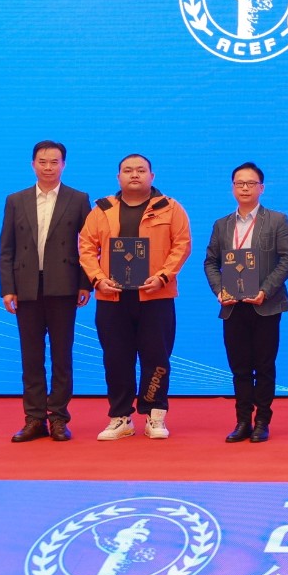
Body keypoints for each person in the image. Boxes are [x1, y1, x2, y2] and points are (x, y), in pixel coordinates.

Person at [78, 154, 192, 441]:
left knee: (157, 357)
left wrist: (163, 276)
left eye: (141, 170)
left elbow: (182, 245)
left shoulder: (170, 208)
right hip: (112, 298)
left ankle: (155, 415)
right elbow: (86, 247)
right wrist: (98, 279)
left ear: (152, 176)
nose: (134, 175)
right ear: (118, 177)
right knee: (116, 358)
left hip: (156, 295)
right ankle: (120, 417)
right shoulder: (102, 209)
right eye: (128, 170)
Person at [0, 140, 91, 442]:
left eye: (54, 162)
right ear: (32, 164)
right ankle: (34, 418)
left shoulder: (78, 199)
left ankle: (59, 418)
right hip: (26, 287)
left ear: (64, 164)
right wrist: (8, 288)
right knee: (31, 357)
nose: (48, 167)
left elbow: (89, 245)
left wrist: (85, 283)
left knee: (62, 356)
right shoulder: (16, 200)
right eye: (42, 161)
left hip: (64, 286)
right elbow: (6, 248)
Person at [201, 162, 288, 443]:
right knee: (239, 367)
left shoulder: (277, 220)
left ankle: (262, 421)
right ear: (232, 188)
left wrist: (265, 290)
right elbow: (210, 262)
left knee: (264, 366)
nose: (245, 188)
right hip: (233, 306)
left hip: (266, 304)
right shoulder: (222, 225)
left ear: (261, 188)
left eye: (251, 183)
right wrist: (220, 290)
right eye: (239, 183)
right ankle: (242, 420)